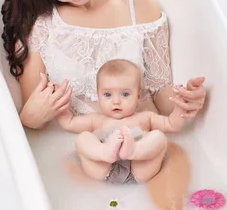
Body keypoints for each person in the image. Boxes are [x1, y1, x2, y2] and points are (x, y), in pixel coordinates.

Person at [1, 0, 206, 210]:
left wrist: (184, 103)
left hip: (142, 140)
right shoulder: (42, 26)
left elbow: (162, 93)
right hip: (82, 152)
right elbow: (34, 117)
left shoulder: (141, 8)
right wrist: (30, 116)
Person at [56, 59, 187, 184]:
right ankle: (103, 151)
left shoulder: (145, 117)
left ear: (138, 97)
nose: (116, 101)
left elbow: (172, 125)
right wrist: (60, 104)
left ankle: (134, 150)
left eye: (125, 94)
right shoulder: (96, 119)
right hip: (103, 167)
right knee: (82, 138)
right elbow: (69, 122)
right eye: (108, 95)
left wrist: (181, 107)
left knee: (159, 137)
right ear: (98, 96)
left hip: (140, 168)